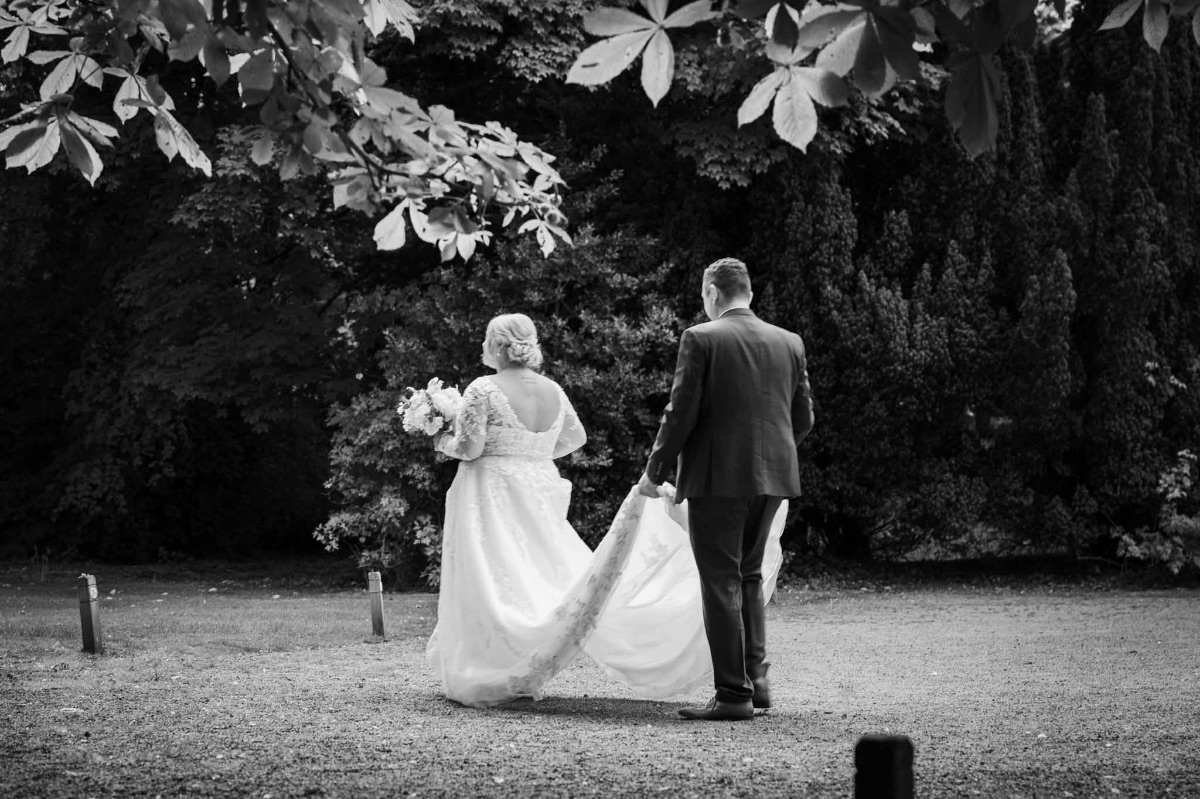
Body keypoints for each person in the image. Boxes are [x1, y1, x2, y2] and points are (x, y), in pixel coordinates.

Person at [426, 312, 792, 708]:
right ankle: (516, 667)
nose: (483, 347)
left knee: (490, 577)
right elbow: (574, 437)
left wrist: (441, 439)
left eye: (486, 340)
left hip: (490, 493)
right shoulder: (552, 390)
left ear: (498, 346)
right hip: (537, 488)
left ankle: (488, 667)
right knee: (532, 575)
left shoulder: (482, 388)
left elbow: (471, 449)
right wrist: (532, 453)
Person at [638, 257, 814, 721]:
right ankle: (758, 683)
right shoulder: (789, 341)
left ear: (712, 293)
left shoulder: (700, 338)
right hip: (773, 477)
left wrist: (654, 472)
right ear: (749, 293)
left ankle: (734, 694)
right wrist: (772, 457)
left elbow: (680, 413)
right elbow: (803, 419)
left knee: (720, 581)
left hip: (717, 478)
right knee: (749, 574)